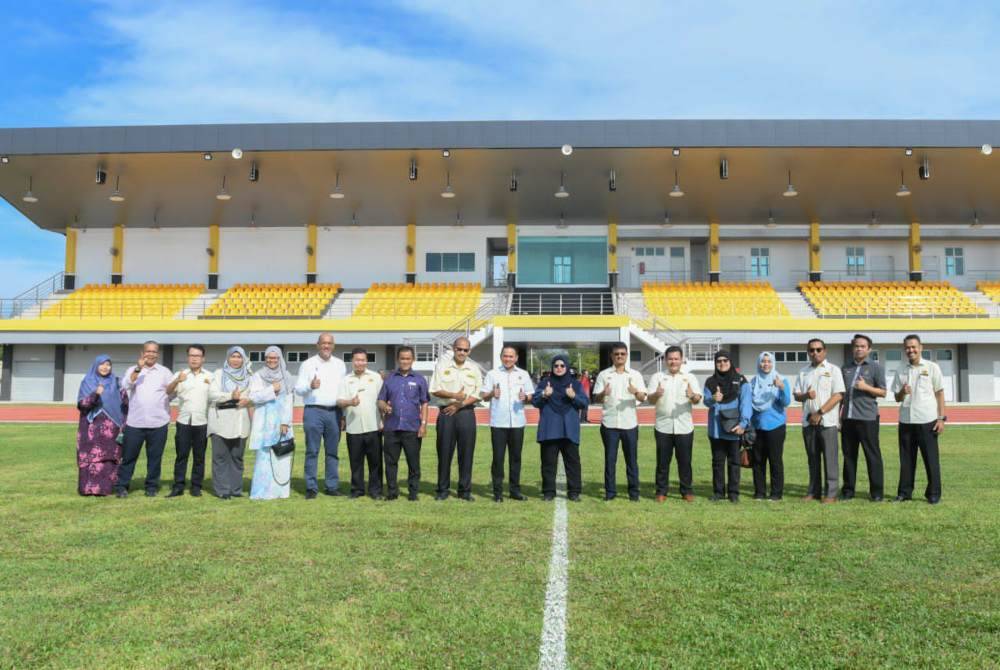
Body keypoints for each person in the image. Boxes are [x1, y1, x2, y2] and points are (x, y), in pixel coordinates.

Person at [891, 334, 946, 504]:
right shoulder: (900, 369)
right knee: (906, 460)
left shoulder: (932, 367)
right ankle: (904, 493)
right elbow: (897, 398)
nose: (911, 350)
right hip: (906, 421)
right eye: (907, 347)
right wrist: (902, 392)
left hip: (927, 420)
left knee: (931, 459)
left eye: (914, 347)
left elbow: (940, 393)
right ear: (904, 349)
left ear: (921, 347)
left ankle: (933, 494)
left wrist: (941, 418)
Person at [116, 341, 173, 498]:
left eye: (154, 351)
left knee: (155, 458)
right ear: (143, 352)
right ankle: (122, 486)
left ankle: (151, 486)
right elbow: (126, 384)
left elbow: (171, 392)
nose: (151, 354)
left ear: (158, 354)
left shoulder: (165, 372)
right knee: (128, 457)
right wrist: (138, 368)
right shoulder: (133, 369)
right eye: (148, 351)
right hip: (136, 422)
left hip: (158, 422)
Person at [592, 342, 647, 502]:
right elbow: (596, 398)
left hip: (629, 424)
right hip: (609, 424)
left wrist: (635, 391)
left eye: (622, 354)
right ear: (612, 356)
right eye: (616, 354)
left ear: (627, 355)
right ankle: (610, 492)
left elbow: (643, 397)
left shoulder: (635, 375)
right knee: (610, 460)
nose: (619, 356)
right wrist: (604, 392)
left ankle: (634, 493)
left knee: (632, 460)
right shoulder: (604, 375)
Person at [646, 345, 701, 502]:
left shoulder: (690, 377)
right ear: (665, 360)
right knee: (662, 462)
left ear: (682, 360)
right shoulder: (657, 377)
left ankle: (686, 491)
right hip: (663, 426)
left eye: (676, 358)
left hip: (684, 426)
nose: (673, 361)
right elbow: (650, 399)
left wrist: (692, 396)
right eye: (670, 358)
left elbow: (698, 399)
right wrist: (656, 394)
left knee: (685, 462)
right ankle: (661, 491)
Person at [430, 336, 482, 501]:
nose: (462, 352)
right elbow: (435, 389)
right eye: (459, 349)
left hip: (466, 413)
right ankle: (442, 490)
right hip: (446, 413)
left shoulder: (474, 369)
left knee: (466, 454)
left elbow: (477, 394)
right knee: (444, 453)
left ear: (469, 351)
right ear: (453, 349)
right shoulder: (442, 366)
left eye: (465, 350)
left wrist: (460, 404)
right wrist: (454, 396)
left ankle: (464, 491)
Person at [295, 332, 347, 499]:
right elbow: (298, 389)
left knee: (332, 451)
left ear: (333, 346)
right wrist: (310, 386)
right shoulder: (307, 364)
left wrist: (344, 414)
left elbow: (343, 391)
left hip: (334, 412)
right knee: (312, 451)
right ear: (317, 345)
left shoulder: (340, 365)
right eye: (323, 343)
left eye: (329, 343)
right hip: (313, 411)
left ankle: (331, 486)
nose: (326, 346)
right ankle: (311, 487)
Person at [793, 338, 846, 503]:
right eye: (811, 350)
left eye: (818, 349)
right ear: (808, 352)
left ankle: (831, 493)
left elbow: (838, 395)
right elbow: (796, 395)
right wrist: (806, 395)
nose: (815, 353)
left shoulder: (833, 370)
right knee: (813, 459)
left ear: (825, 351)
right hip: (808, 423)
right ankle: (813, 491)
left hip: (827, 422)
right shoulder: (803, 372)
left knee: (830, 459)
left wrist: (820, 412)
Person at [481, 345, 535, 502]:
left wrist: (526, 397)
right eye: (505, 356)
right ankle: (497, 492)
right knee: (498, 458)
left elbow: (531, 395)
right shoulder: (492, 374)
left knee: (516, 458)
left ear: (516, 358)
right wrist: (492, 393)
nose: (508, 359)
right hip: (498, 422)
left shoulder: (523, 374)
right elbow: (484, 396)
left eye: (511, 356)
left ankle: (514, 490)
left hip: (517, 422)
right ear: (501, 357)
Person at [532, 355, 587, 501]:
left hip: (569, 430)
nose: (559, 368)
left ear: (567, 367)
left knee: (573, 463)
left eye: (562, 365)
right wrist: (544, 394)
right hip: (550, 429)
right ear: (552, 367)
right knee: (548, 463)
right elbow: (535, 401)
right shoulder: (545, 383)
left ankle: (574, 492)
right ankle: (549, 492)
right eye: (556, 365)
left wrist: (573, 396)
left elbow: (584, 403)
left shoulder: (575, 384)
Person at [378, 346, 429, 501]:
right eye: (402, 358)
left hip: (412, 428)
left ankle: (413, 493)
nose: (405, 361)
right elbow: (380, 400)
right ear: (397, 359)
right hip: (391, 428)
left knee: (413, 463)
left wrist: (424, 424)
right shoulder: (389, 379)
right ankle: (392, 492)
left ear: (412, 360)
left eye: (408, 358)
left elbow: (425, 403)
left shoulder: (420, 379)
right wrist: (384, 406)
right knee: (390, 462)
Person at [840, 334, 887, 501]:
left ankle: (876, 492)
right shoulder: (845, 368)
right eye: (856, 346)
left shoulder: (876, 368)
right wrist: (840, 416)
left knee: (872, 455)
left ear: (869, 349)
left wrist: (866, 387)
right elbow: (841, 394)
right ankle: (848, 490)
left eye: (862, 346)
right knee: (849, 456)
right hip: (848, 418)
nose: (859, 349)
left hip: (868, 418)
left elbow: (883, 392)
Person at [703, 350, 752, 502]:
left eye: (725, 360)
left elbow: (746, 403)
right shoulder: (710, 382)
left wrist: (743, 424)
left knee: (734, 462)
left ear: (730, 362)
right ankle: (718, 492)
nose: (722, 363)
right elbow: (705, 401)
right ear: (715, 363)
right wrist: (713, 398)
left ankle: (733, 493)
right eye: (719, 361)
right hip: (716, 430)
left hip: (734, 428)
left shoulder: (741, 380)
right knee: (717, 462)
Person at [76, 354, 128, 496]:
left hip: (112, 428)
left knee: (109, 457)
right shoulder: (87, 382)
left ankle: (106, 488)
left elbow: (125, 403)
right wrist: (95, 394)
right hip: (91, 428)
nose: (105, 367)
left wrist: (124, 423)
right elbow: (82, 405)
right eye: (102, 364)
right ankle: (88, 488)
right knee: (91, 457)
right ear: (96, 365)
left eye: (108, 364)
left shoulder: (116, 382)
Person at [248, 346, 295, 500]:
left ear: (280, 358)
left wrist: (285, 422)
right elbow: (253, 397)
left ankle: (279, 492)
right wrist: (271, 389)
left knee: (281, 455)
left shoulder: (286, 376)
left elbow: (289, 400)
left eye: (275, 358)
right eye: (269, 357)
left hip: (281, 420)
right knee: (264, 456)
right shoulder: (258, 376)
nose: (271, 360)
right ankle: (262, 492)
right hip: (264, 419)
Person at [165, 344, 211, 498]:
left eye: (197, 356)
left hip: (202, 422)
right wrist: (177, 381)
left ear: (203, 358)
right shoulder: (180, 374)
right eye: (191, 355)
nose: (194, 359)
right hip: (184, 421)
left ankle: (196, 486)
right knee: (181, 456)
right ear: (187, 358)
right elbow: (168, 391)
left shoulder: (210, 376)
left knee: (199, 457)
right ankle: (178, 486)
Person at [337, 348, 384, 500]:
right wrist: (350, 402)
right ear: (352, 361)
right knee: (355, 462)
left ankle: (375, 491)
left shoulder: (376, 377)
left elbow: (382, 400)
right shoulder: (345, 380)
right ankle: (357, 490)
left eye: (363, 360)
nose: (360, 363)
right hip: (353, 427)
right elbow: (339, 401)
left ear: (366, 361)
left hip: (374, 426)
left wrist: (383, 419)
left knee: (375, 461)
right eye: (357, 360)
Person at [208, 346, 253, 499]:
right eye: (233, 356)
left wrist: (249, 400)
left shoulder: (249, 376)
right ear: (227, 358)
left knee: (237, 457)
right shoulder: (219, 374)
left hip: (241, 421)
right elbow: (212, 395)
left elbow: (254, 395)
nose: (236, 360)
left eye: (239, 356)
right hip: (221, 420)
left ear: (243, 359)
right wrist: (230, 395)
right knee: (220, 457)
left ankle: (236, 489)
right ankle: (222, 490)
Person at [749, 352, 791, 501]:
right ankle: (759, 492)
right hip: (758, 427)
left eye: (769, 361)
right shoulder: (753, 382)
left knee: (775, 460)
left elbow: (786, 402)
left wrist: (781, 388)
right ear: (759, 363)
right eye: (763, 361)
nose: (766, 364)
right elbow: (750, 405)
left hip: (776, 427)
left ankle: (776, 493)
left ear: (773, 363)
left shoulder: (781, 380)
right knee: (758, 461)